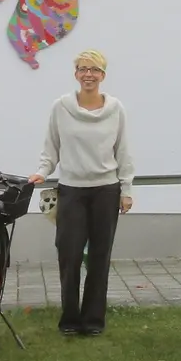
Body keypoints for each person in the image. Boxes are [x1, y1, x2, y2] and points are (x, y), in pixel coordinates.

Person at [27, 49, 136, 337]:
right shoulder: (61, 107)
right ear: (76, 74)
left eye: (95, 70)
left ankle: (93, 320)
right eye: (83, 69)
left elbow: (123, 151)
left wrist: (126, 189)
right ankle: (70, 319)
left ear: (103, 75)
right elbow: (51, 146)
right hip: (72, 191)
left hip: (106, 190)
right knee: (70, 255)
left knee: (100, 257)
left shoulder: (116, 110)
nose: (89, 74)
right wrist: (42, 170)